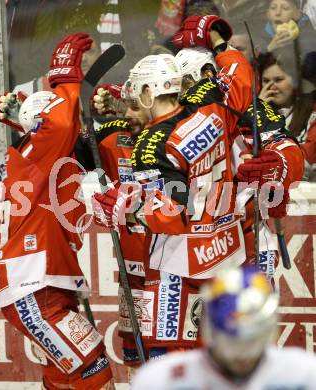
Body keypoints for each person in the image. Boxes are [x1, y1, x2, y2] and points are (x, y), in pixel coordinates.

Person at [92, 14, 303, 357]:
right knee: (173, 349)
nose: (183, 93)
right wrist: (119, 104)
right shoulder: (200, 110)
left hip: (243, 241)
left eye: (188, 83)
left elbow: (287, 147)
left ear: (206, 77)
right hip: (196, 245)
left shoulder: (236, 108)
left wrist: (279, 166)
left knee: (236, 350)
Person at [0, 33, 114, 390]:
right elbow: (59, 125)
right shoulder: (39, 154)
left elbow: (66, 133)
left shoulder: (34, 157)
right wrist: (65, 73)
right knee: (94, 371)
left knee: (64, 376)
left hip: (42, 286)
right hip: (34, 290)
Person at [131, 265, 316, 389]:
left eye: (250, 341)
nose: (240, 354)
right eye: (231, 341)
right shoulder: (162, 380)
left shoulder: (304, 374)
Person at [258, 51, 316, 181]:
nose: (270, 86)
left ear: (295, 81)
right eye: (265, 81)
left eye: (278, 80)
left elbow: (304, 162)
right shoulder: (254, 112)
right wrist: (257, 112)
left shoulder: (312, 113)